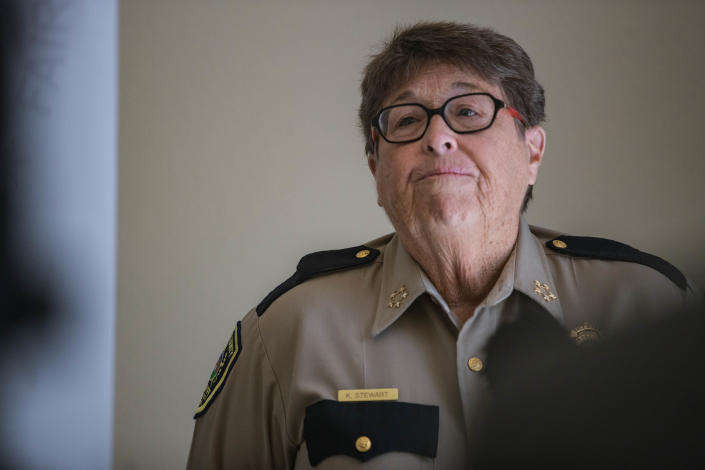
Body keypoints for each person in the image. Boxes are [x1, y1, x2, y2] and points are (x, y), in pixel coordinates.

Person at [186, 22, 702, 469]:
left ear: (533, 151)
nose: (437, 138)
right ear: (376, 171)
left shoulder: (648, 305)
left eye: (470, 112)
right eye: (408, 120)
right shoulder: (287, 329)